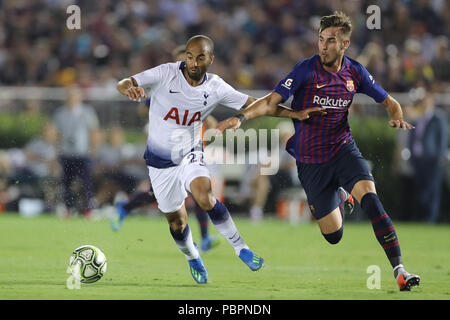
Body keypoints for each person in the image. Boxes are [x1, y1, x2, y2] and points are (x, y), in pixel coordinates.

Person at [216, 12, 420, 291]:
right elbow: (269, 103)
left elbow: (390, 102)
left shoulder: (355, 72)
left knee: (372, 202)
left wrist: (395, 115)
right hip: (311, 163)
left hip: (343, 150)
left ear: (345, 44)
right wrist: (241, 118)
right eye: (321, 39)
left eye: (331, 40)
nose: (323, 46)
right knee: (333, 236)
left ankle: (400, 270)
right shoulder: (305, 70)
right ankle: (339, 194)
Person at [116, 35, 315, 283]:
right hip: (159, 163)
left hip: (190, 152)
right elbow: (124, 82)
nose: (193, 62)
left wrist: (294, 113)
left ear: (210, 59)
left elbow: (259, 105)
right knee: (177, 223)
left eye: (200, 57)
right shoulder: (166, 73)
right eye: (189, 56)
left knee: (205, 196)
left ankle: (242, 248)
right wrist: (130, 87)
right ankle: (192, 256)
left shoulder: (216, 87)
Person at [110, 45, 221, 253]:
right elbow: (144, 108)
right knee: (157, 194)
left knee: (198, 193)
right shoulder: (167, 87)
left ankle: (205, 238)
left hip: (188, 153)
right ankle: (125, 207)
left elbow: (210, 119)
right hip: (166, 152)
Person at [53, 84, 99, 217]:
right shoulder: (60, 113)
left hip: (82, 153)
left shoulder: (87, 112)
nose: (72, 98)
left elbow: (93, 132)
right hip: (66, 153)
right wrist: (56, 152)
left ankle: (88, 209)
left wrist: (93, 150)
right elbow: (58, 135)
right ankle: (67, 209)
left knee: (86, 182)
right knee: (66, 182)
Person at [410, 91, 448, 223]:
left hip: (432, 159)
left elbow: (443, 138)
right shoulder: (418, 118)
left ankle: (431, 217)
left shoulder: (438, 118)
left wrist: (440, 156)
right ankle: (424, 216)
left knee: (433, 189)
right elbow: (413, 138)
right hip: (419, 159)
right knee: (423, 189)